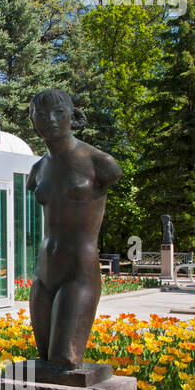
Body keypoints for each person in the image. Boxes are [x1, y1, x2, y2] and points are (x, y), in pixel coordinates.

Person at [26, 89, 122, 369]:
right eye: (41, 115)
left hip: (78, 269)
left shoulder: (100, 163)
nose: (50, 120)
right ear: (33, 122)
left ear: (73, 117)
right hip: (44, 271)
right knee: (44, 362)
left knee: (63, 361)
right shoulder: (38, 169)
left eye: (59, 113)